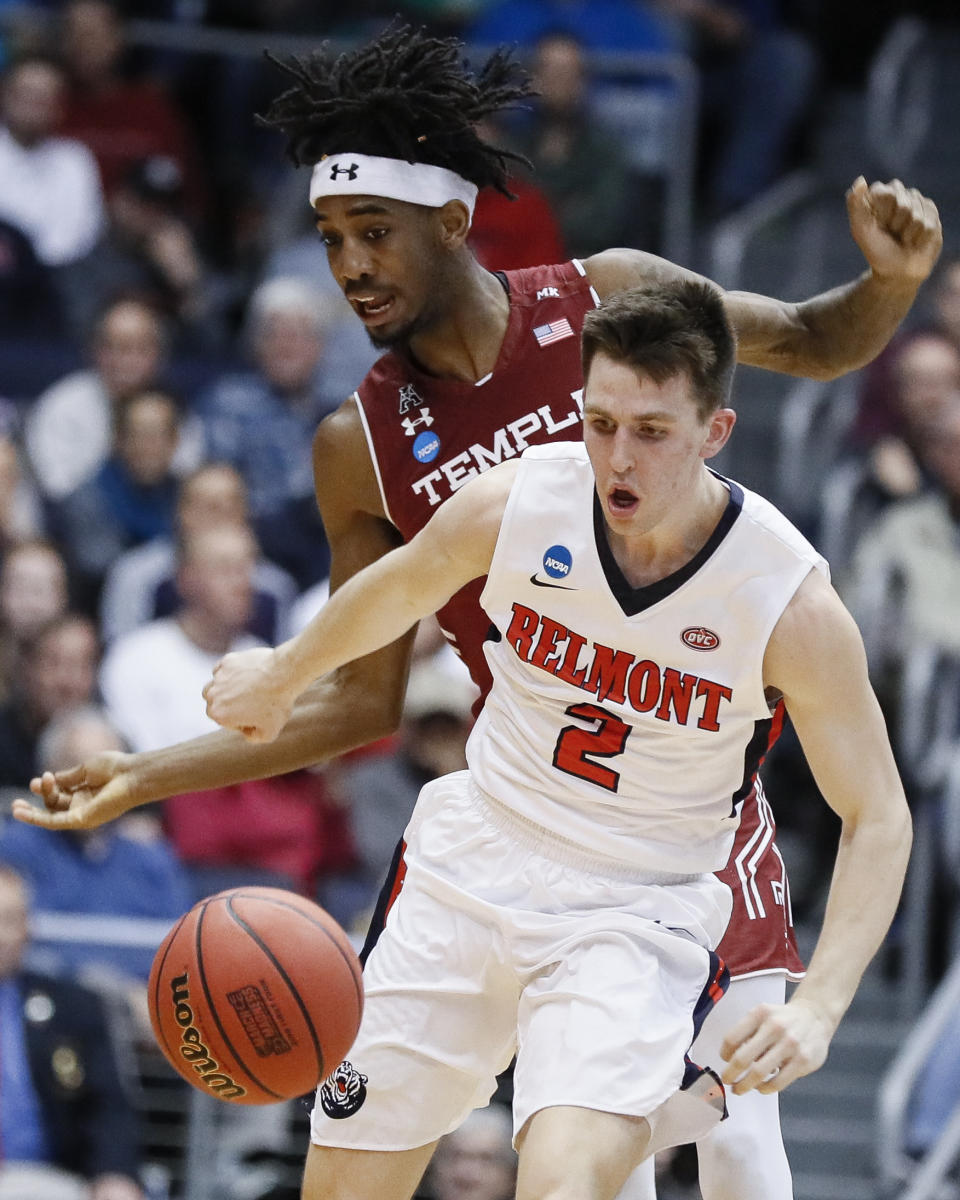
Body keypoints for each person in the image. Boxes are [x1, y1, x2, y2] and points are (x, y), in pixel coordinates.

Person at [12, 24, 941, 1200]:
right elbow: (360, 691)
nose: (347, 266)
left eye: (373, 233)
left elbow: (811, 339)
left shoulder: (606, 306)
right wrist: (149, 771)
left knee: (715, 1146)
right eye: (329, 240)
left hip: (672, 815)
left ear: (451, 222)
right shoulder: (365, 447)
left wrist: (893, 286)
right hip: (502, 807)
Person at [201, 281, 912, 1200]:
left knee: (564, 1187)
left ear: (716, 433)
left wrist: (821, 1007)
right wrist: (284, 671)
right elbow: (402, 584)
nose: (617, 456)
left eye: (651, 432)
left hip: (636, 907)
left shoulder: (786, 599)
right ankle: (665, 1107)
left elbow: (879, 815)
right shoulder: (522, 501)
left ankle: (656, 1112)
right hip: (471, 859)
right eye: (599, 421)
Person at [0, 862, 145, 1200]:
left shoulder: (74, 1007)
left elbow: (109, 1106)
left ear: (27, 928)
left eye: (8, 920)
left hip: (53, 1181)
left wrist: (115, 1175)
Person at [0, 53, 104, 268]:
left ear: (59, 107)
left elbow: (82, 235)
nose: (33, 106)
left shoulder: (75, 159)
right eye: (26, 94)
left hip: (57, 279)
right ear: (5, 95)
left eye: (44, 98)